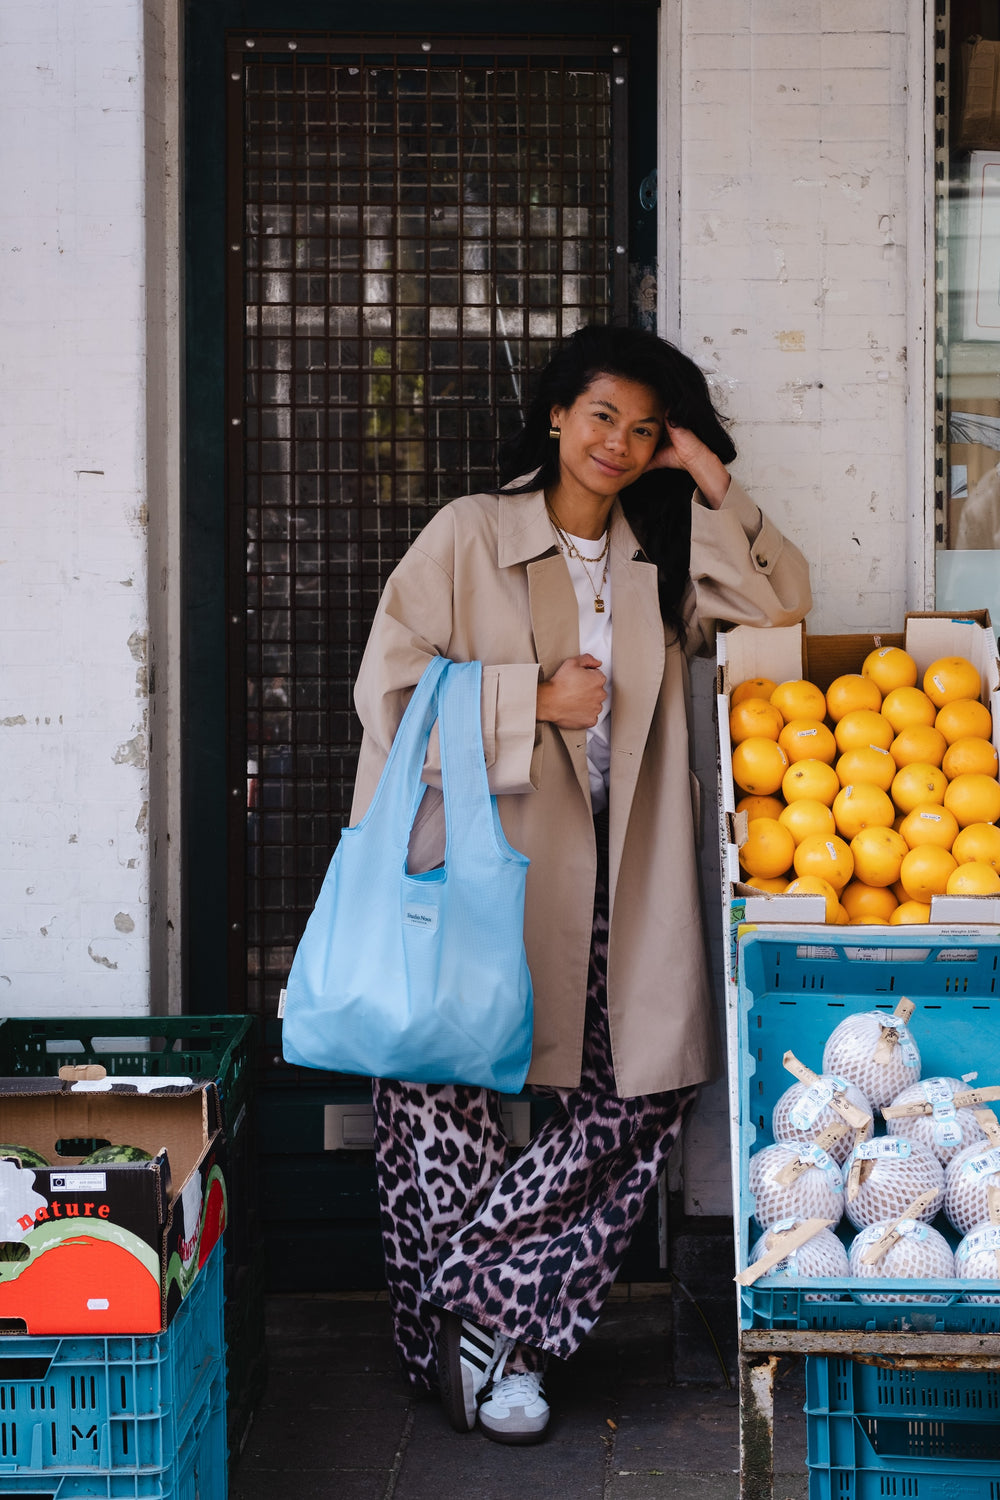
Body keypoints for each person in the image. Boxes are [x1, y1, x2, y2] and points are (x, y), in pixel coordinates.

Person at [349, 323, 811, 1445]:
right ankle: (485, 1354)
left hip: (619, 878)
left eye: (645, 428)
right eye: (601, 414)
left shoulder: (661, 558)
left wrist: (710, 484)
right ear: (557, 414)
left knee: (646, 1089)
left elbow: (778, 625)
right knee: (438, 1116)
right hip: (474, 869)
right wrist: (525, 704)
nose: (618, 440)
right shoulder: (469, 534)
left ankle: (471, 1307)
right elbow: (389, 693)